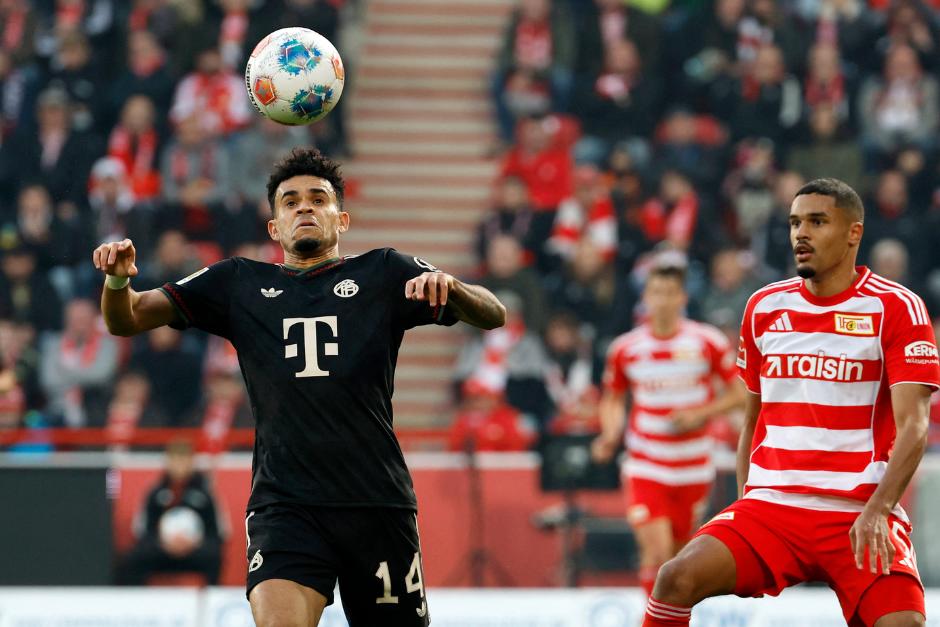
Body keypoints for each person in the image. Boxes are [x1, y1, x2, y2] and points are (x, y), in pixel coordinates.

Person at [92, 148, 506, 626]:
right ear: (274, 227)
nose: (304, 207)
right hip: (285, 503)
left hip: (375, 500)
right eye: (290, 202)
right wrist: (117, 282)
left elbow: (493, 314)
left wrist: (453, 288)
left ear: (341, 219)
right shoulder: (238, 282)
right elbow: (127, 319)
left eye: (317, 199)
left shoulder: (384, 271)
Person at [643, 178, 940, 627]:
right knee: (674, 578)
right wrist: (744, 504)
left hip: (858, 510)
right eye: (795, 222)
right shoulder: (763, 306)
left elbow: (915, 426)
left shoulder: (897, 308)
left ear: (853, 233)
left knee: (904, 624)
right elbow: (752, 420)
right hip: (772, 509)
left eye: (817, 222)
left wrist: (879, 509)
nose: (801, 233)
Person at [591, 262, 745, 598]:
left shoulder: (707, 341)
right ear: (645, 297)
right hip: (647, 464)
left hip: (693, 466)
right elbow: (613, 398)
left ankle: (668, 617)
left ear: (682, 298)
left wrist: (700, 413)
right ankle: (652, 620)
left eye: (670, 293)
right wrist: (610, 434)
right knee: (657, 552)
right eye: (656, 293)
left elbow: (741, 396)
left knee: (676, 562)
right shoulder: (626, 348)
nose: (662, 300)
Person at [117, 439, 225, 585]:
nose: (179, 466)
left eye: (183, 460)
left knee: (214, 556)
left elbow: (217, 532)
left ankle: (212, 596)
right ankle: (136, 597)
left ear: (191, 462)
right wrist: (163, 543)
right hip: (161, 550)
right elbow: (143, 531)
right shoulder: (155, 493)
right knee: (133, 558)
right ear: (168, 462)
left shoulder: (205, 494)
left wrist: (194, 543)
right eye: (175, 461)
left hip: (195, 551)